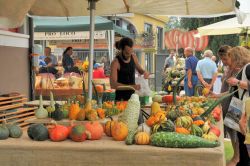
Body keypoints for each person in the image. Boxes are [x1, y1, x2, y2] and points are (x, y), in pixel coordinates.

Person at [225, 46, 250, 166]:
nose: (230, 62)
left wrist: (237, 82)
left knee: (245, 139)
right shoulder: (245, 68)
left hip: (247, 109)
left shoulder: (248, 67)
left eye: (231, 58)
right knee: (242, 139)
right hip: (244, 108)